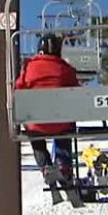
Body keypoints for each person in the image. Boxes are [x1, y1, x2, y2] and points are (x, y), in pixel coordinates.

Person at [15, 33, 81, 184]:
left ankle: (45, 166)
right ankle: (63, 163)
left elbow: (18, 88)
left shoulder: (29, 67)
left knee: (34, 133)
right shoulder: (66, 68)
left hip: (36, 124)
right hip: (61, 122)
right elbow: (77, 92)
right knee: (66, 125)